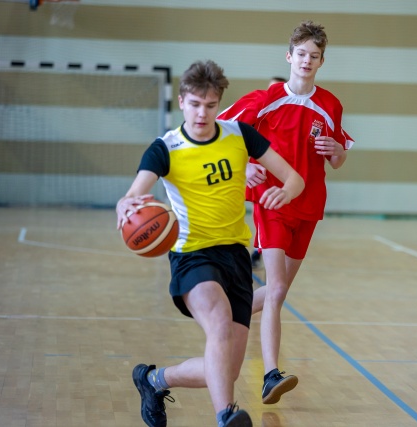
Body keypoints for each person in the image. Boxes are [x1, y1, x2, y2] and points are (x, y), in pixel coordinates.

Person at [116, 59, 304, 427]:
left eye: (210, 105)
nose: (202, 113)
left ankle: (154, 380)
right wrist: (126, 203)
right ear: (182, 102)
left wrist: (285, 192)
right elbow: (134, 194)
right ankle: (226, 415)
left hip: (236, 256)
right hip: (192, 255)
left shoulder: (239, 135)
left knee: (225, 371)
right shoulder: (165, 148)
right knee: (218, 323)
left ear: (219, 103)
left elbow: (294, 178)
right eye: (195, 104)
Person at [218, 20, 354, 404]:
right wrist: (243, 167)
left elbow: (338, 159)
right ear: (289, 56)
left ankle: (224, 316)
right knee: (276, 288)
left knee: (278, 291)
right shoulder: (265, 99)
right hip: (272, 203)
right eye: (301, 54)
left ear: (322, 61)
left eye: (315, 56)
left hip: (308, 208)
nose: (307, 61)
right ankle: (270, 374)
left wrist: (337, 152)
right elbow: (219, 133)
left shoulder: (330, 106)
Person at [250, 76, 287, 269]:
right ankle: (257, 252)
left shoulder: (292, 118)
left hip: (287, 184)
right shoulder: (257, 114)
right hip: (261, 180)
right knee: (264, 222)